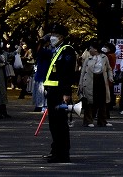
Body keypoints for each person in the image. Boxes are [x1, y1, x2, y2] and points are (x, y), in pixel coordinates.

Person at [41, 25, 77, 163]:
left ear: (62, 37)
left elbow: (67, 73)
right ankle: (55, 150)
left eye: (55, 34)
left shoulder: (67, 50)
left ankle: (62, 153)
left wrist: (66, 92)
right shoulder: (56, 50)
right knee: (53, 124)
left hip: (60, 92)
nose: (52, 37)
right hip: (52, 91)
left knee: (60, 124)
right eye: (51, 34)